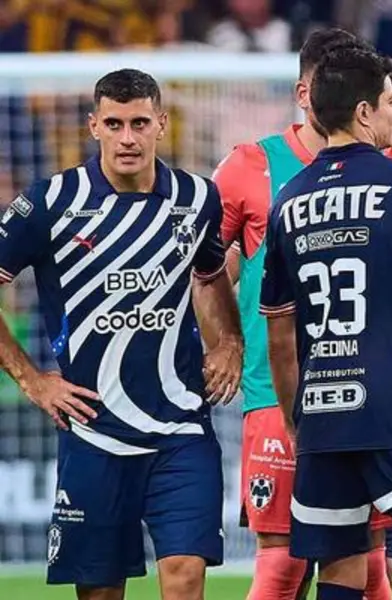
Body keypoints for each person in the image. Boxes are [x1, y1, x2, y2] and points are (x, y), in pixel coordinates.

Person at [0, 69, 243, 600]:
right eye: (114, 123)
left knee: (185, 577)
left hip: (181, 429)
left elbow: (210, 273)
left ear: (161, 123)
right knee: (102, 592)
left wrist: (230, 342)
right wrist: (32, 380)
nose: (127, 137)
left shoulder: (197, 198)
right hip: (94, 431)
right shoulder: (52, 202)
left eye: (139, 123)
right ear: (93, 127)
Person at [259, 46, 392, 600]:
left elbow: (280, 337)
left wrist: (295, 419)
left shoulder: (289, 199)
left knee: (342, 575)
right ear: (362, 113)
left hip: (322, 414)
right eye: (388, 101)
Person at [212, 27, 392, 600]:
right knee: (283, 561)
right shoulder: (250, 165)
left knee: (372, 562)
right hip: (277, 387)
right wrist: (226, 340)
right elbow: (205, 266)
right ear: (303, 92)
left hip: (365, 386)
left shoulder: (388, 161)